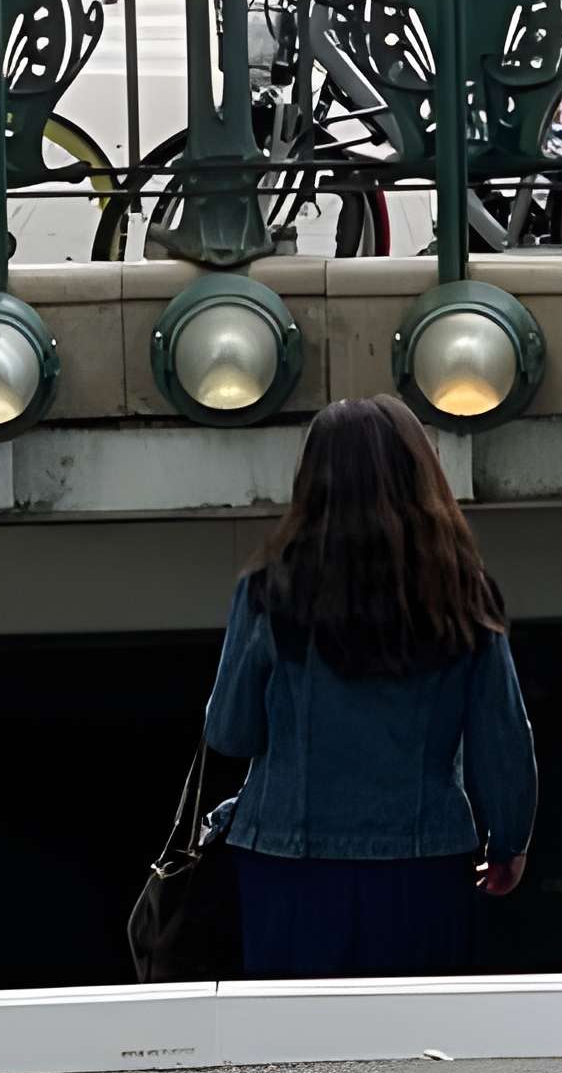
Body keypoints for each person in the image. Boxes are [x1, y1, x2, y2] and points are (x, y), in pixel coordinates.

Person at [202, 397, 537, 980]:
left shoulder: (267, 590)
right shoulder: (464, 590)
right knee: (415, 1052)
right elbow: (501, 736)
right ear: (420, 474)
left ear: (311, 480)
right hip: (422, 864)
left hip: (287, 860)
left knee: (295, 1052)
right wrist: (508, 841)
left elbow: (231, 733)